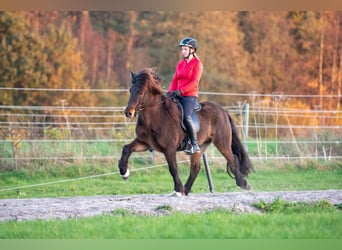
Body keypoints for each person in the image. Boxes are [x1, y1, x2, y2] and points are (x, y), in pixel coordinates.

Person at [167, 37, 203, 154]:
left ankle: (194, 144)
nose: (183, 52)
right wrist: (171, 91)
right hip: (177, 94)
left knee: (186, 116)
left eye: (185, 49)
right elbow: (175, 79)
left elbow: (194, 82)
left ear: (192, 50)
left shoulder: (197, 64)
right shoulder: (180, 64)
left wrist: (181, 91)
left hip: (189, 96)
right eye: (182, 49)